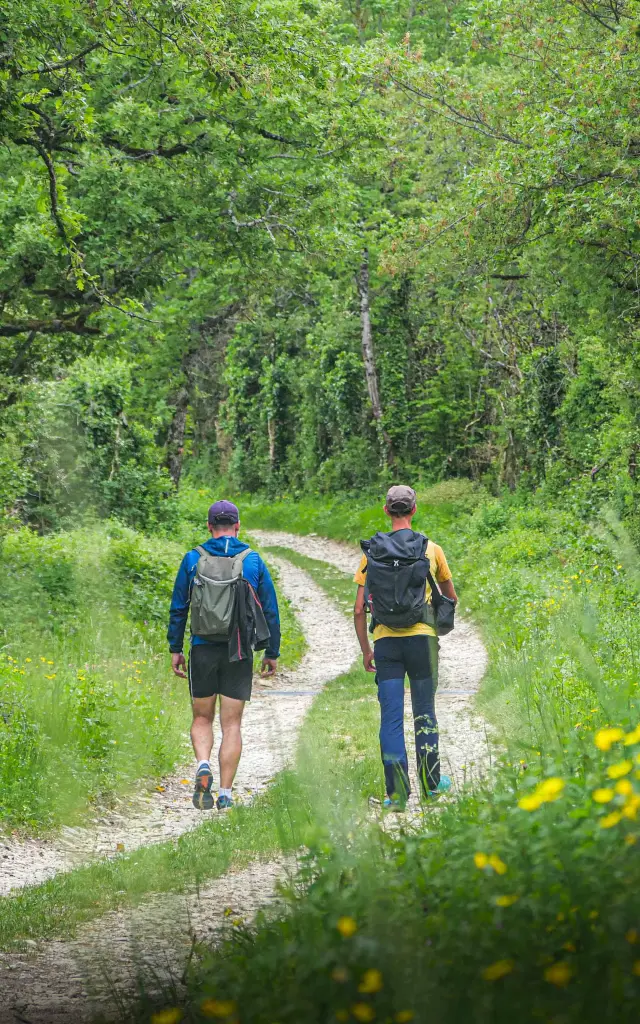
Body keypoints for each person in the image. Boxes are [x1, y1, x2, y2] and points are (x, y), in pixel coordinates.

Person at [168, 499, 281, 811]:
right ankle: (226, 792)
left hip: (202, 648)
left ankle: (203, 763)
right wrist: (271, 651)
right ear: (237, 526)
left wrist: (176, 648)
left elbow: (179, 608)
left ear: (209, 527)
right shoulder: (252, 560)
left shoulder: (194, 558)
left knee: (202, 717)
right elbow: (269, 609)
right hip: (239, 650)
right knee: (232, 724)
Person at [353, 485, 458, 809]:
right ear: (414, 510)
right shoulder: (431, 550)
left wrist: (366, 651)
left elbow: (359, 609)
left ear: (386, 511)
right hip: (423, 642)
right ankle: (431, 787)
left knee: (392, 719)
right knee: (425, 712)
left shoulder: (371, 554)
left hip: (386, 644)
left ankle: (396, 795)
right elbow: (450, 597)